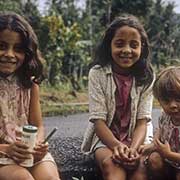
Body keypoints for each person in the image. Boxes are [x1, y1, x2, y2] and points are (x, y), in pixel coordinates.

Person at [81, 14, 155, 180]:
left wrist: (133, 150)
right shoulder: (97, 73)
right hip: (107, 138)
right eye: (119, 44)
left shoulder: (147, 76)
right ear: (109, 45)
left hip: (138, 139)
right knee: (112, 166)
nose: (127, 50)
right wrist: (117, 146)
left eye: (134, 45)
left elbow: (142, 122)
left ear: (142, 48)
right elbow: (98, 122)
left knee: (140, 171)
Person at [0, 12, 60, 180]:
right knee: (23, 178)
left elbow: (38, 125)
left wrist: (39, 145)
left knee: (50, 178)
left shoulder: (29, 82)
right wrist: (6, 149)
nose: (9, 54)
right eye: (2, 46)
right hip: (2, 154)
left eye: (18, 49)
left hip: (28, 153)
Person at [139, 66, 180, 180]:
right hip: (170, 162)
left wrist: (169, 154)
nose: (173, 105)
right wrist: (149, 147)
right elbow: (158, 138)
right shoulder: (165, 117)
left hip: (174, 158)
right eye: (166, 101)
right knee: (154, 159)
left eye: (178, 99)